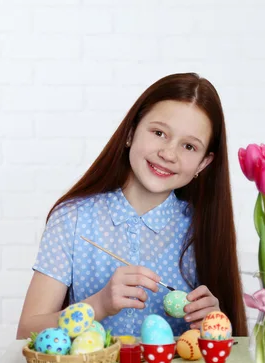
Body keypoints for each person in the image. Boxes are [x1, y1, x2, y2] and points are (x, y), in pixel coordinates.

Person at [16, 72, 247, 340]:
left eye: (188, 146)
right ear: (130, 132)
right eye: (159, 133)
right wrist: (99, 305)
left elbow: (229, 349)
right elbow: (26, 331)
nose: (168, 154)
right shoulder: (73, 219)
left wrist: (214, 323)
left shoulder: (201, 227)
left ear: (203, 164)